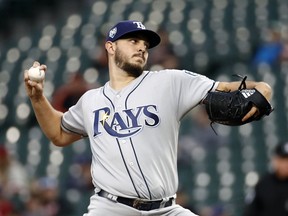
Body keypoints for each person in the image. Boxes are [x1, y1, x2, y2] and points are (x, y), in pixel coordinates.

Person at [24, 20, 272, 216]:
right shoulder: (91, 101)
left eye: (145, 44)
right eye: (133, 41)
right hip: (111, 209)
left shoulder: (170, 81)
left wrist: (262, 86)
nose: (142, 47)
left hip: (165, 209)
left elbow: (227, 88)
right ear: (110, 47)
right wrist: (37, 98)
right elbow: (58, 133)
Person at [243, 141, 288, 216]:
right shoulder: (263, 184)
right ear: (275, 159)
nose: (286, 163)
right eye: (283, 159)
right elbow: (250, 212)